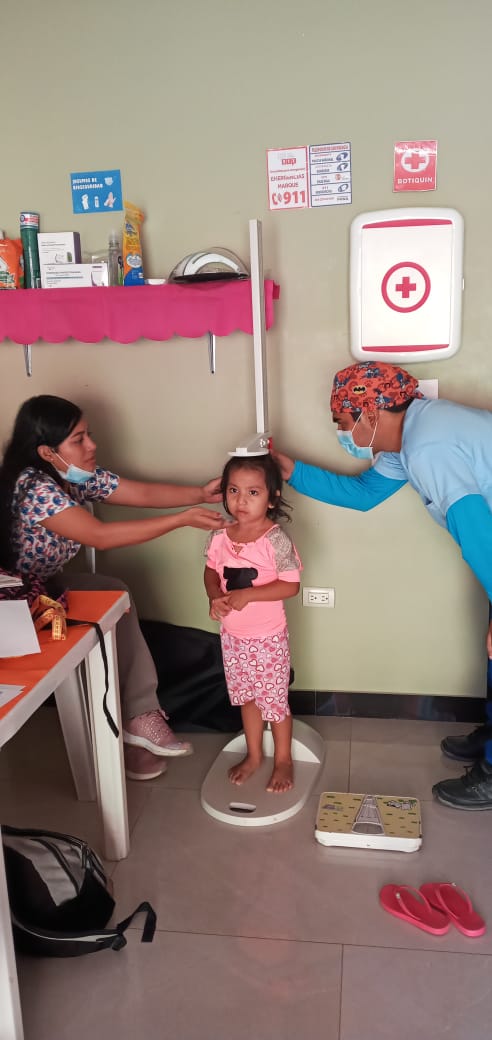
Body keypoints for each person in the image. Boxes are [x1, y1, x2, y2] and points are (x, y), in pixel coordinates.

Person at [273, 360, 492, 810]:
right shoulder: (408, 439)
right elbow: (363, 495)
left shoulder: (429, 447)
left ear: (370, 413)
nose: (341, 432)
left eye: (342, 422)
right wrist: (289, 470)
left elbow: (477, 534)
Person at [0, 395, 227, 781]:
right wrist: (182, 520)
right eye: (79, 439)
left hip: (42, 589)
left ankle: (137, 725)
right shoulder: (33, 487)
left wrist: (199, 495)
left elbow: (139, 494)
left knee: (113, 595)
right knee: (109, 597)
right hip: (14, 601)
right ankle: (138, 722)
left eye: (88, 434)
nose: (92, 445)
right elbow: (100, 536)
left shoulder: (71, 475)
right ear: (47, 452)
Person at [204, 454, 301, 794]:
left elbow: (290, 586)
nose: (241, 500)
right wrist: (214, 597)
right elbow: (210, 572)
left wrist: (249, 595)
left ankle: (283, 759)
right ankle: (255, 755)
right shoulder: (220, 535)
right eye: (233, 490)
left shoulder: (275, 539)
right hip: (233, 638)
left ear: (272, 498)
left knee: (273, 702)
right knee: (247, 698)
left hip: (268, 640)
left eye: (253, 492)